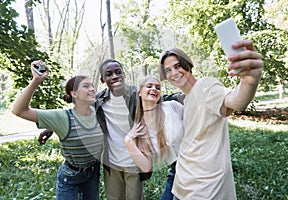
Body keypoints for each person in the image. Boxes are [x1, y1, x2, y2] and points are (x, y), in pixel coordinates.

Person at [39, 59, 183, 199]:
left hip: (133, 159)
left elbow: (160, 98)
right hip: (112, 162)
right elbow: (78, 111)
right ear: (102, 79)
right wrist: (51, 128)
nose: (114, 76)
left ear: (123, 74)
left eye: (118, 72)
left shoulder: (136, 94)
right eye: (109, 74)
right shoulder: (99, 100)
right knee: (114, 196)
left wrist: (183, 95)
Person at [159, 40, 264, 200]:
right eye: (168, 70)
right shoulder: (185, 100)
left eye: (178, 65)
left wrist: (249, 82)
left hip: (205, 187)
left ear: (188, 64)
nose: (174, 73)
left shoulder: (205, 86)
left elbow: (235, 100)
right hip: (182, 181)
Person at [12, 60, 104, 200]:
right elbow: (19, 110)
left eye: (92, 85)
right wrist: (36, 80)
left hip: (93, 173)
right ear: (74, 94)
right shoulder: (62, 117)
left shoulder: (99, 111)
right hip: (70, 178)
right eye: (86, 86)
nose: (92, 89)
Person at [124, 76, 184, 189]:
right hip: (176, 172)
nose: (154, 89)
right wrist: (128, 141)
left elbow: (197, 124)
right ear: (139, 92)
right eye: (149, 86)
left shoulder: (172, 107)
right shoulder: (140, 128)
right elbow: (146, 167)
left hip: (195, 165)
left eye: (157, 87)